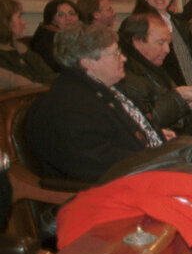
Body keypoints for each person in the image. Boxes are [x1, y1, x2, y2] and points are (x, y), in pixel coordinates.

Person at [27, 23, 164, 182]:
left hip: (151, 170)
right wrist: (161, 160)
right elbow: (100, 163)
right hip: (121, 189)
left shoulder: (107, 89)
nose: (124, 58)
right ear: (88, 62)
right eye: (116, 54)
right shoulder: (67, 108)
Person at [117, 13, 192, 134]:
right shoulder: (127, 75)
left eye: (168, 43)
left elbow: (173, 116)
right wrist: (178, 96)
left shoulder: (153, 67)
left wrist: (189, 105)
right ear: (138, 42)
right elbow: (145, 119)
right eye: (160, 43)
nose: (167, 50)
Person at [0, 0, 56, 85]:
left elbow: (48, 73)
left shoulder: (21, 47)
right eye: (19, 17)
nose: (23, 23)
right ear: (4, 22)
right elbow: (25, 82)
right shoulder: (3, 56)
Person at [30, 0, 78, 70]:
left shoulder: (75, 35)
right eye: (60, 15)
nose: (68, 18)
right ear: (52, 20)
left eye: (71, 13)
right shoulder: (46, 40)